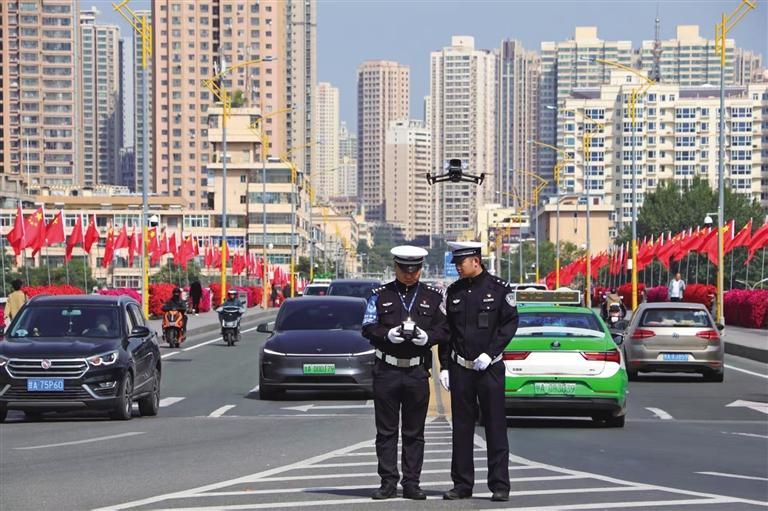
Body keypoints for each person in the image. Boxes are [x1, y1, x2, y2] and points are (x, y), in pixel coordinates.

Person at [362, 246, 449, 500]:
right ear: (395, 267)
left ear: (421, 269)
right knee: (386, 431)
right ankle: (388, 482)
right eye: (404, 270)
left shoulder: (433, 296)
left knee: (414, 432)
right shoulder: (380, 295)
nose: (410, 274)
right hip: (387, 370)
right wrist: (386, 335)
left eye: (415, 270)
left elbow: (445, 331)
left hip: (416, 371)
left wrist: (427, 337)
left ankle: (412, 483)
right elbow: (367, 327)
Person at [438, 241, 519, 502]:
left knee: (495, 426)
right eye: (456, 263)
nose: (458, 268)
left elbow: (509, 324)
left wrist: (490, 353)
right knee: (461, 429)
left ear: (476, 261)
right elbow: (447, 332)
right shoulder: (454, 291)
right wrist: (445, 365)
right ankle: (462, 484)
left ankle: (500, 485)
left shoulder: (499, 289)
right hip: (461, 369)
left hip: (489, 369)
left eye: (461, 263)